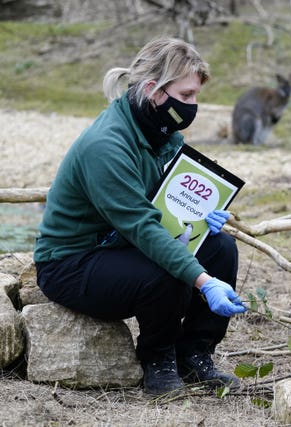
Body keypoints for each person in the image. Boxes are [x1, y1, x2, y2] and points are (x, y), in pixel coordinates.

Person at [33, 37, 246, 396]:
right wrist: (203, 282)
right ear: (154, 90)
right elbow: (143, 228)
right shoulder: (107, 146)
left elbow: (165, 204)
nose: (194, 105)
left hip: (117, 244)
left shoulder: (162, 131)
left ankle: (194, 354)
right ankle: (158, 362)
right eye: (188, 94)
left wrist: (200, 214)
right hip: (70, 262)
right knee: (166, 270)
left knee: (220, 248)